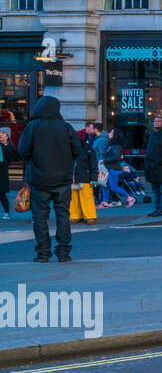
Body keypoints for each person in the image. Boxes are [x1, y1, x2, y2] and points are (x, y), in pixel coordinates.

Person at [17, 95, 82, 263]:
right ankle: (63, 252)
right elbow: (77, 150)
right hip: (62, 179)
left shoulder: (33, 127)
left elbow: (23, 151)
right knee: (63, 215)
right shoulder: (66, 127)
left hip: (39, 179)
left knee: (39, 217)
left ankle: (43, 253)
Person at [70, 124, 99, 224]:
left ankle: (88, 215)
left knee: (85, 197)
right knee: (75, 198)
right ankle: (78, 215)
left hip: (83, 177)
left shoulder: (87, 149)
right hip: (75, 177)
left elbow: (93, 165)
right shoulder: (84, 148)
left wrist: (94, 180)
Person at [100, 128, 135, 207]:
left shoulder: (116, 146)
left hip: (113, 169)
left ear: (115, 135)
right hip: (110, 168)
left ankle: (129, 198)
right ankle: (104, 202)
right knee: (105, 185)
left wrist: (104, 160)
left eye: (111, 132)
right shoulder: (113, 145)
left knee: (113, 186)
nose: (109, 133)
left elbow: (116, 157)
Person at [0, 128, 14, 218]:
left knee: (1, 193)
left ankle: (7, 212)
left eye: (2, 133)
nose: (0, 134)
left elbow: (12, 156)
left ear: (7, 135)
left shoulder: (9, 147)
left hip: (2, 173)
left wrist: (5, 146)